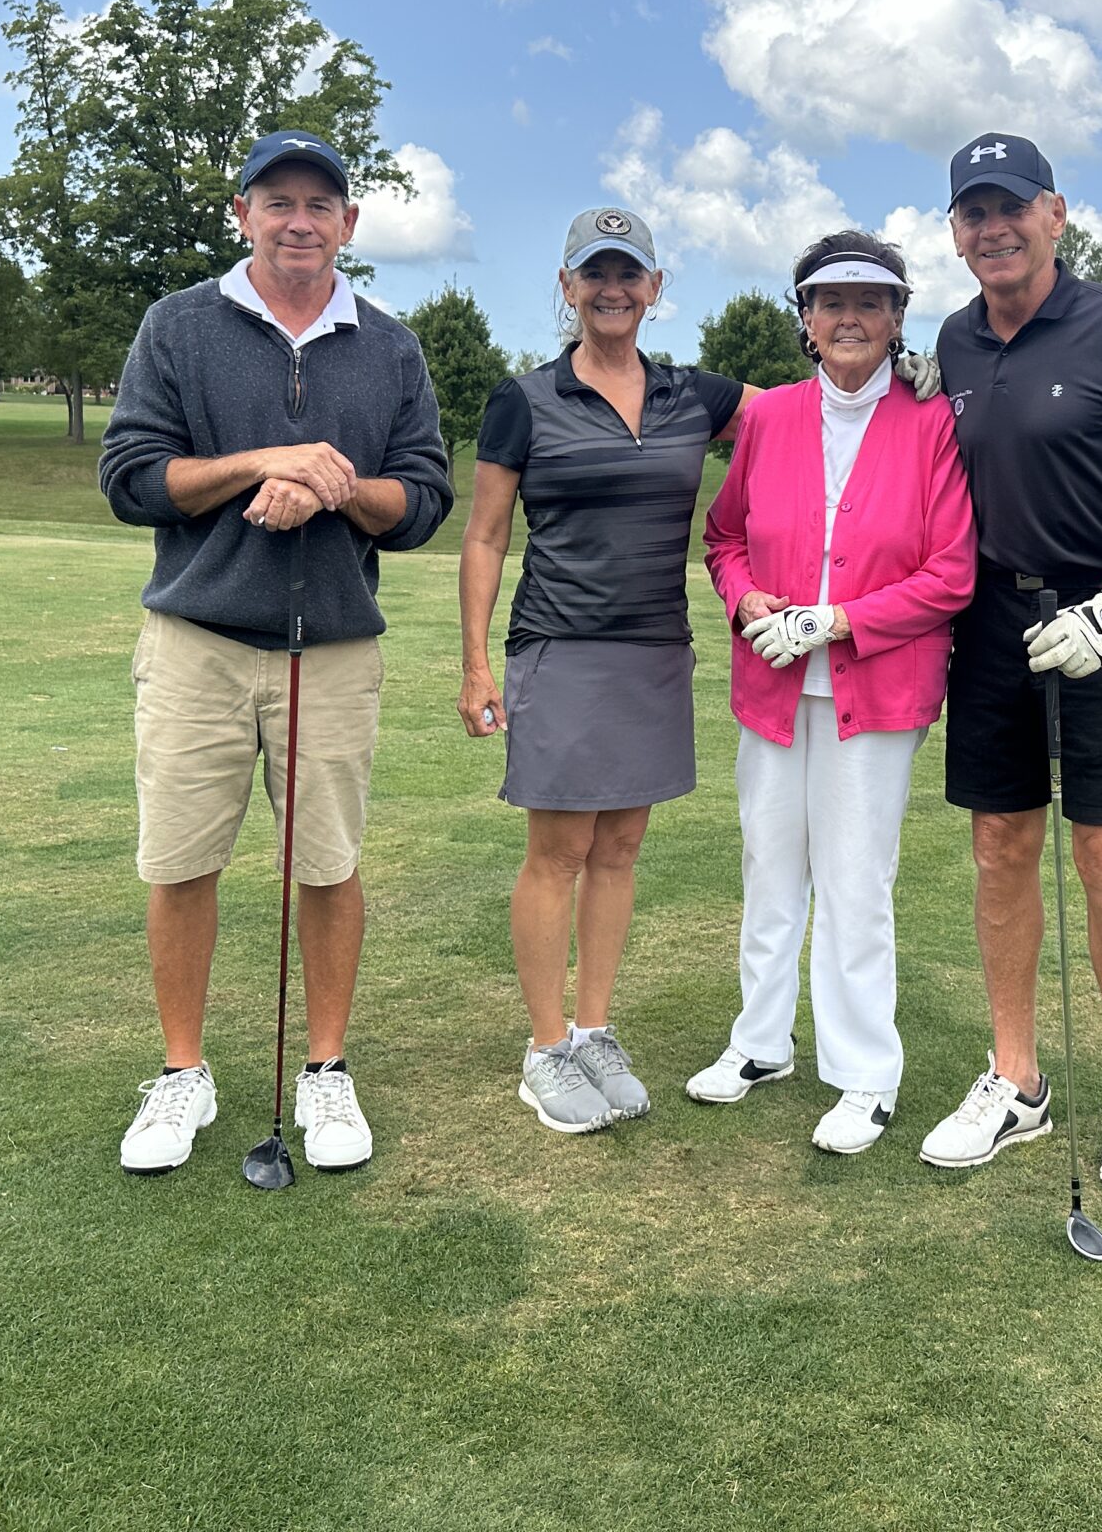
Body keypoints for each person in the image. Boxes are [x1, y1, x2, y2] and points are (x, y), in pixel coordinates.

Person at [98, 129, 454, 1177]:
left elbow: (422, 500)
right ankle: (180, 1074)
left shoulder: (390, 348)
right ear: (242, 214)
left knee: (329, 864)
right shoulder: (179, 327)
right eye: (277, 201)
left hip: (333, 650)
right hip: (198, 640)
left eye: (319, 204)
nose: (299, 220)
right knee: (180, 861)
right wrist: (265, 459)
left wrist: (336, 485)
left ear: (348, 224)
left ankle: (327, 1071)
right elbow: (130, 479)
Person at [918, 132, 1102, 1200]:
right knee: (999, 845)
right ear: (955, 232)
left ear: (1055, 215)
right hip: (989, 619)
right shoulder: (954, 339)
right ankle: (1016, 1078)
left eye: (1011, 207)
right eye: (973, 213)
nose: (993, 227)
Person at [454, 206, 747, 1135]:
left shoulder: (695, 396)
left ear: (655, 289)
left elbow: (815, 406)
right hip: (561, 646)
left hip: (656, 650)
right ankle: (545, 1050)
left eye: (630, 275)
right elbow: (488, 534)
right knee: (559, 852)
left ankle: (593, 1030)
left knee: (620, 848)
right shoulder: (524, 398)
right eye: (594, 274)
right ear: (568, 286)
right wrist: (475, 664)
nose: (612, 289)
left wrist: (906, 372)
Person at [694, 233, 976, 1153]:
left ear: (898, 320)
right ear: (805, 321)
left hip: (875, 686)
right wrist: (750, 605)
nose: (848, 317)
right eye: (829, 302)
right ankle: (760, 1042)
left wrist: (840, 621)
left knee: (856, 879)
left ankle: (865, 1074)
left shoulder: (933, 421)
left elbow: (952, 571)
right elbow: (725, 538)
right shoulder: (770, 416)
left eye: (870, 301)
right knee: (769, 867)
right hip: (773, 682)